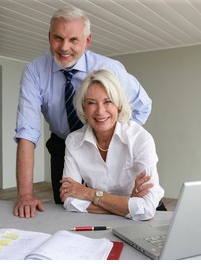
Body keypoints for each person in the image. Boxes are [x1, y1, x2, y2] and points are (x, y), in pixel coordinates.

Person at [14, 6, 152, 218]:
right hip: (64, 144)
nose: (64, 47)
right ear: (49, 37)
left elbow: (142, 106)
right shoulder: (34, 72)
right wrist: (25, 194)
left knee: (122, 203)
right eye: (58, 38)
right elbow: (27, 133)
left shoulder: (110, 68)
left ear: (87, 41)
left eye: (73, 40)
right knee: (67, 208)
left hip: (110, 145)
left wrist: (114, 138)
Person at [60, 69, 164, 221]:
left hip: (149, 219)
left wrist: (88, 193)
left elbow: (146, 209)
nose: (100, 111)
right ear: (84, 108)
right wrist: (127, 204)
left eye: (108, 101)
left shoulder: (140, 139)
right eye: (91, 103)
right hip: (108, 218)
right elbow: (69, 201)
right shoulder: (73, 142)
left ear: (119, 106)